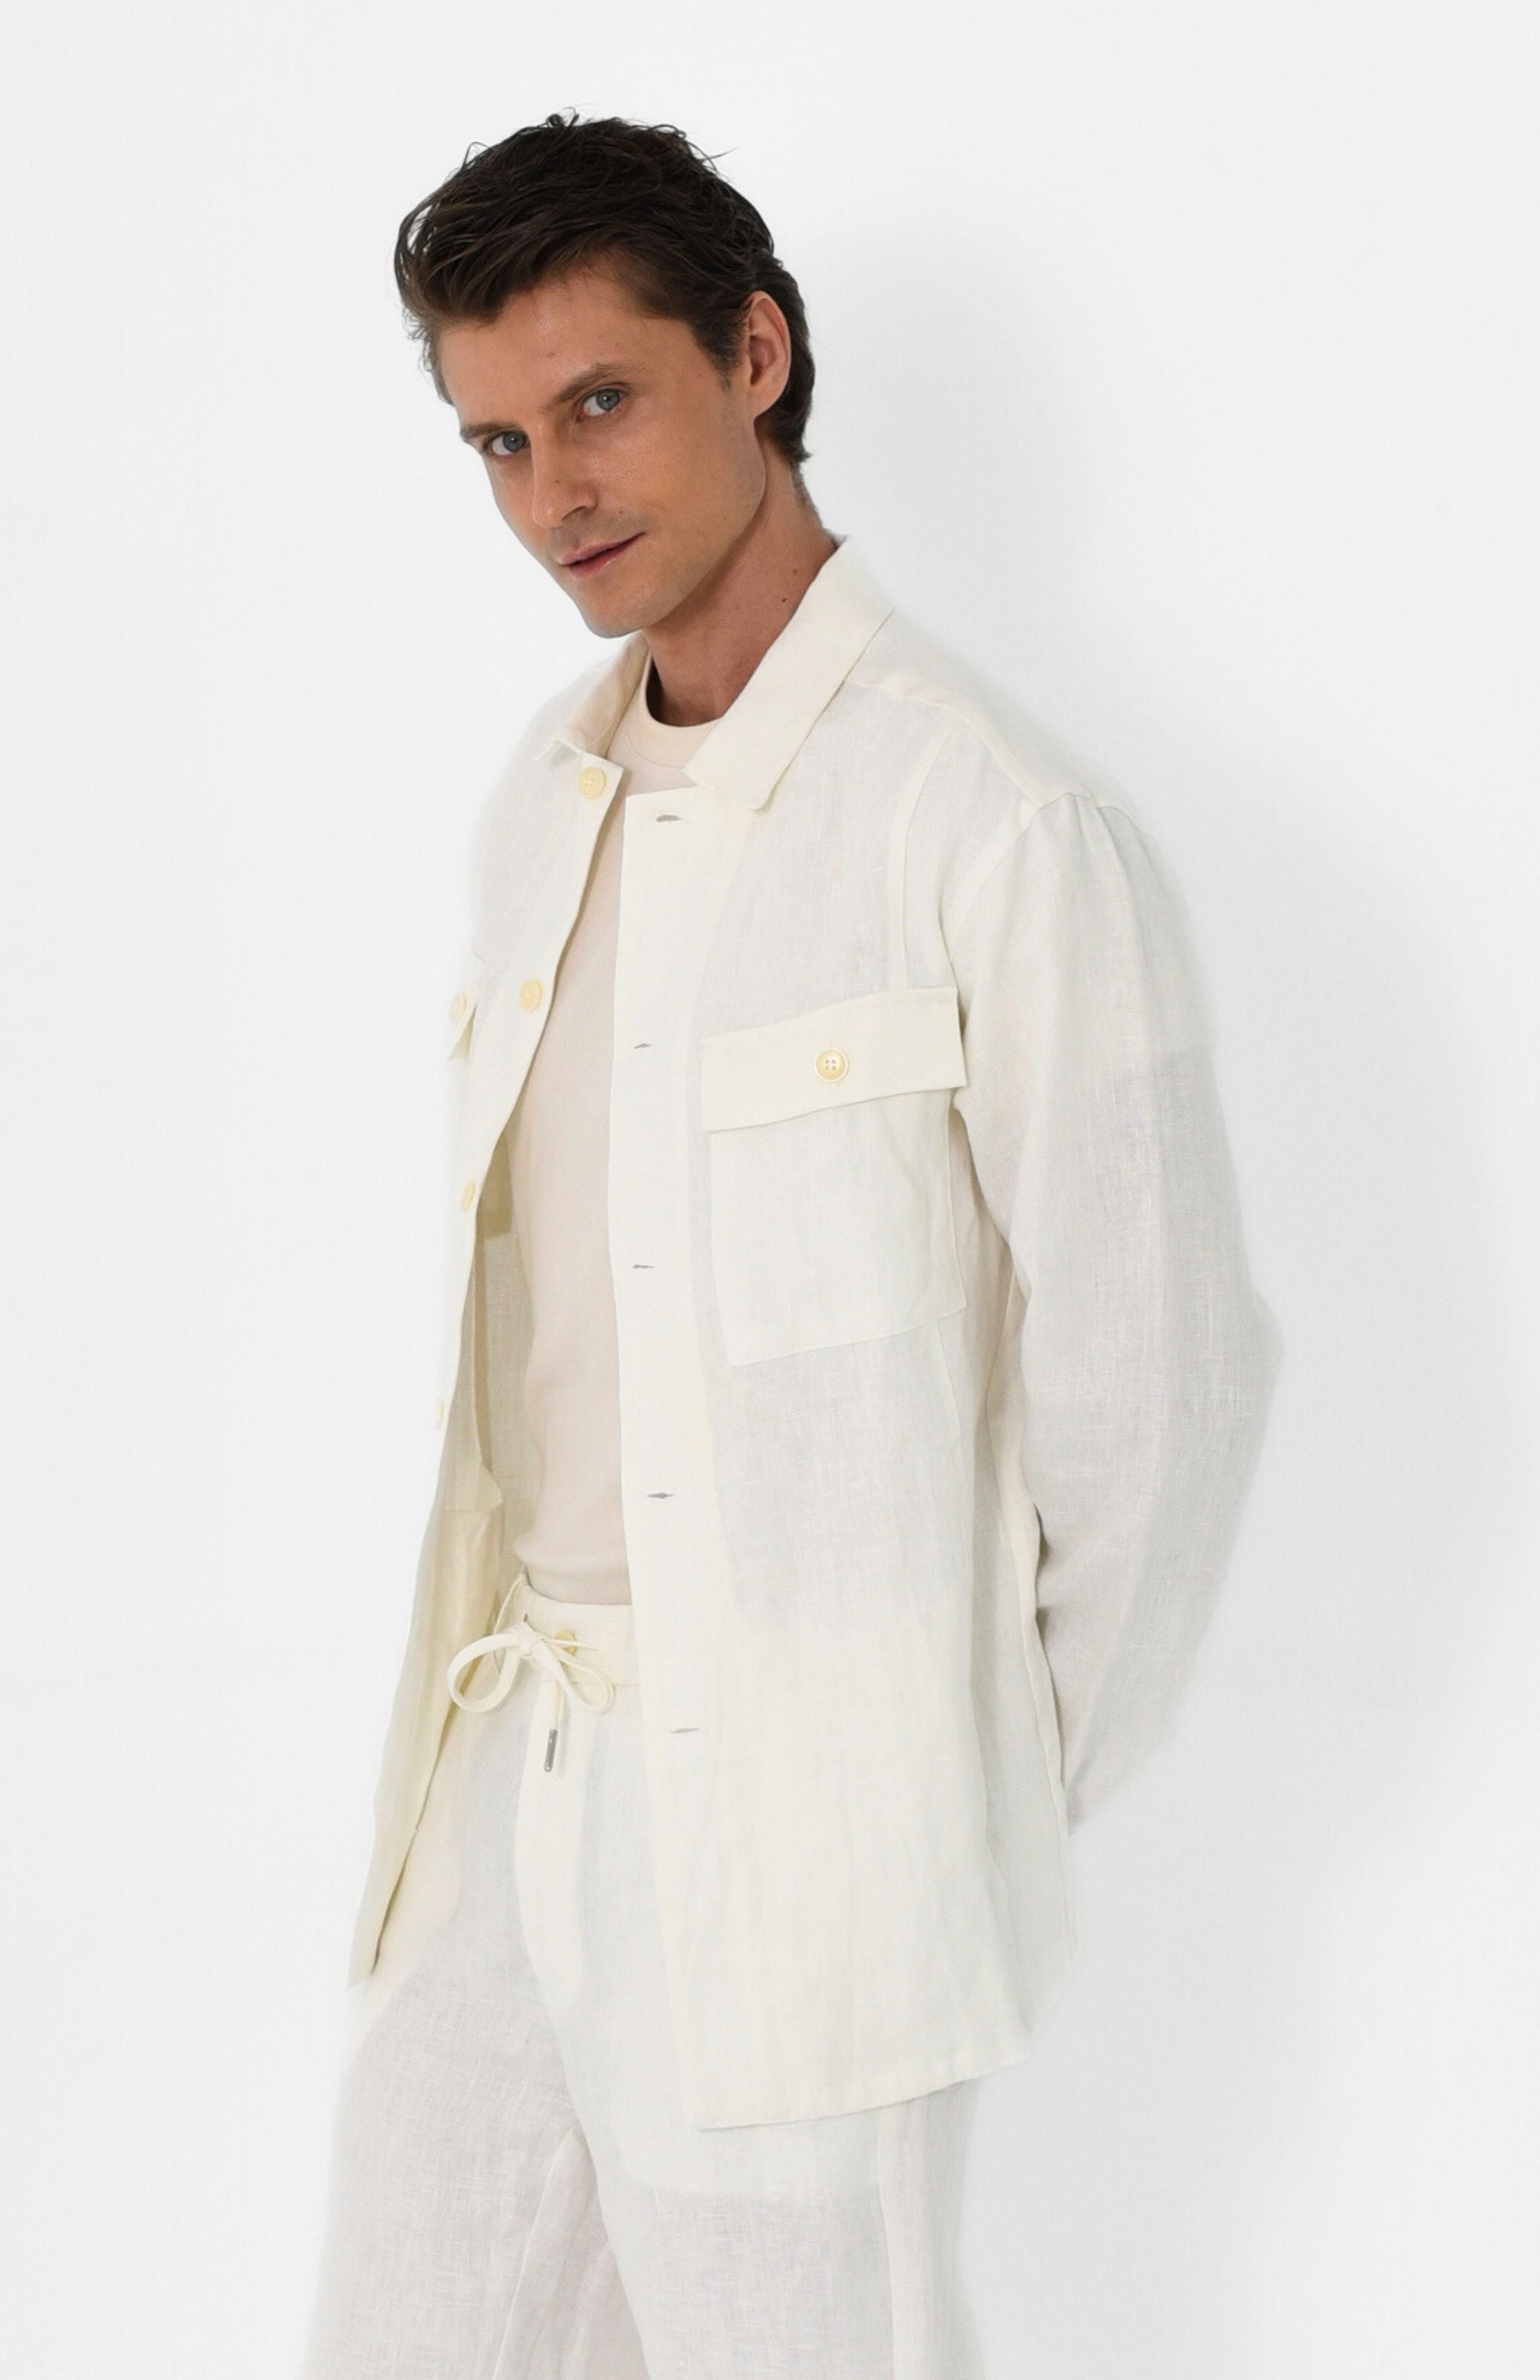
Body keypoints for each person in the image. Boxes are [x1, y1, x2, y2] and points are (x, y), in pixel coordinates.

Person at [299, 109, 1282, 2379]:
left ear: (757, 356)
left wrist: (932, 1781)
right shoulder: (539, 806)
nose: (553, 491)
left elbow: (1163, 1392)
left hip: (800, 1835)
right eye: (497, 441)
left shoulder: (991, 822)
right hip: (511, 1766)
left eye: (600, 401)